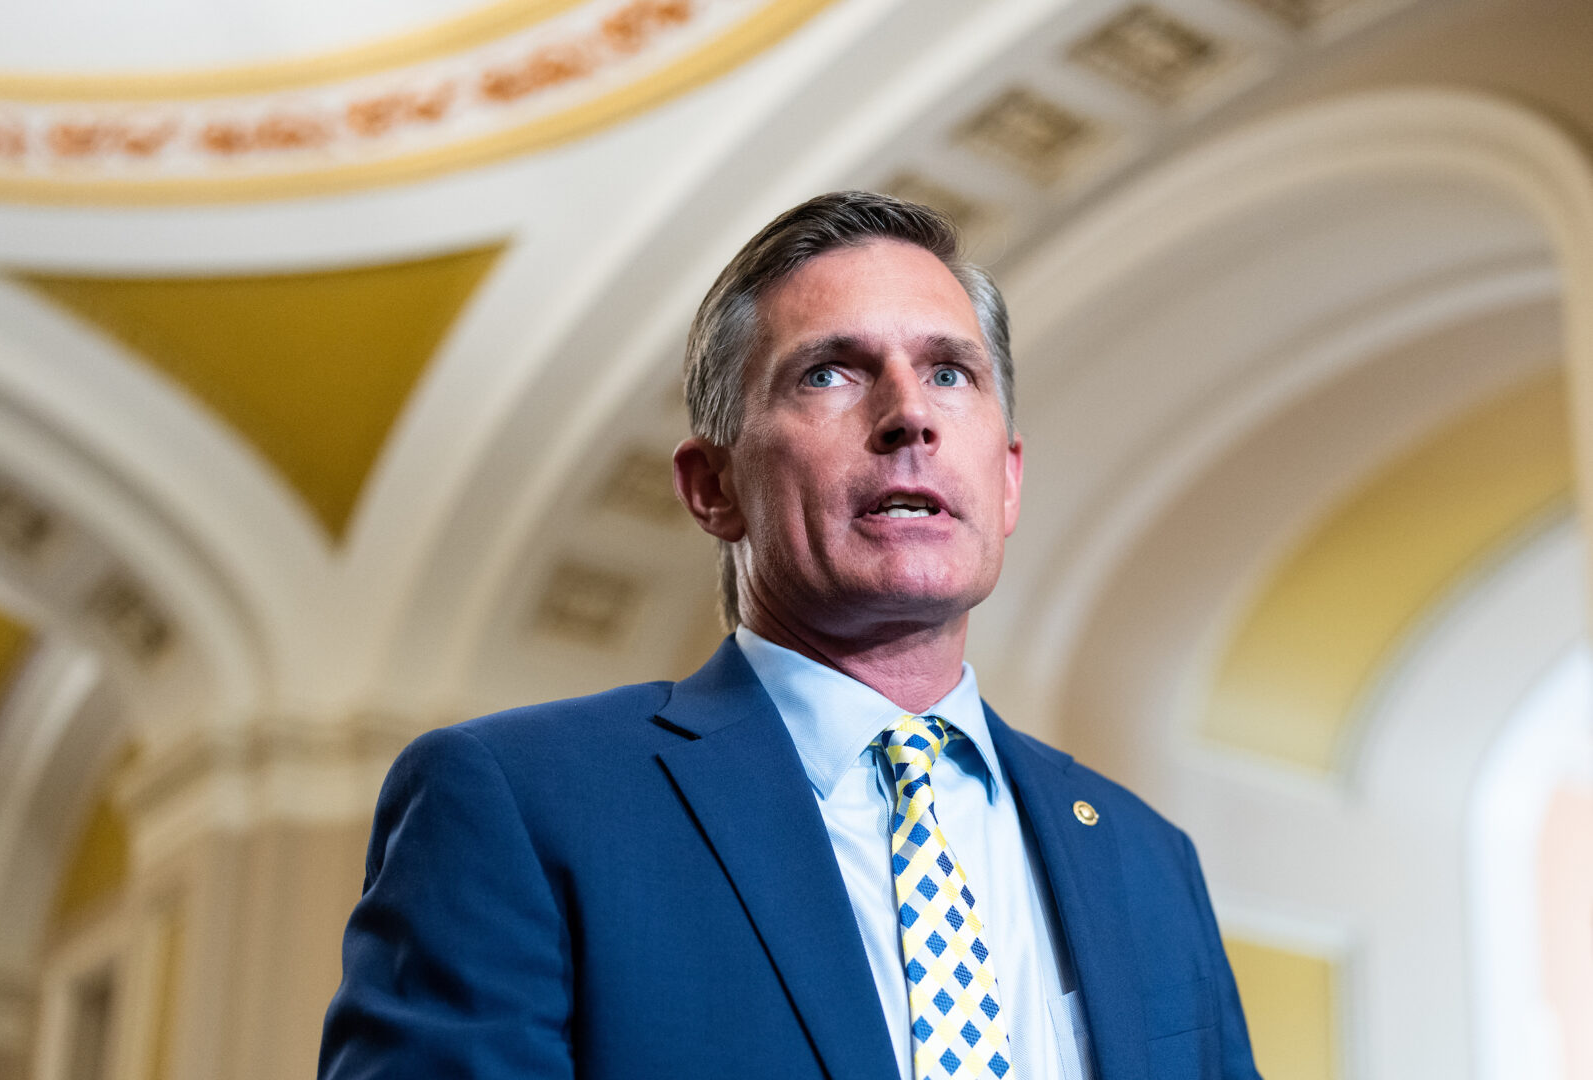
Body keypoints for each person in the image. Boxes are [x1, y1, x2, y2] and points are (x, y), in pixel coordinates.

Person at [318, 192, 1261, 1080]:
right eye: (830, 372)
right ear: (713, 488)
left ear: (1008, 481)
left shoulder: (1145, 855)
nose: (910, 417)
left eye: (949, 371)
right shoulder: (517, 803)